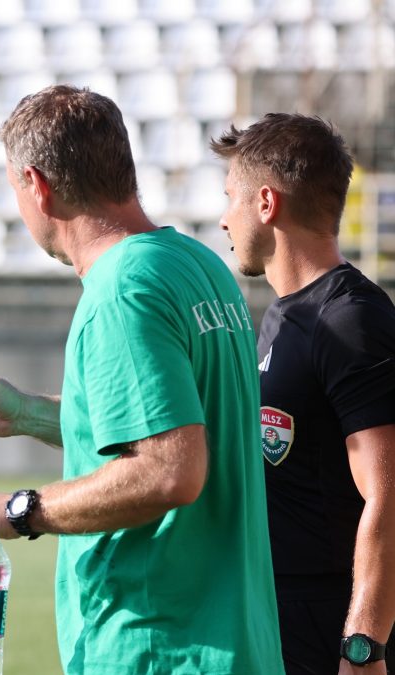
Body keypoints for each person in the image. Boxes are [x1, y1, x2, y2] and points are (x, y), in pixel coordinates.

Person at [0, 85, 283, 674]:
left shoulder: (120, 293)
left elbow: (168, 470)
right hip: (234, 637)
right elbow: (174, 420)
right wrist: (28, 413)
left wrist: (20, 508)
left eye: (14, 190)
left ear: (38, 185)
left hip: (159, 646)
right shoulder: (197, 263)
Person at [211, 113, 395, 674]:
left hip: (332, 631)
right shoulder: (285, 317)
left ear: (265, 203)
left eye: (230, 199)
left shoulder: (350, 320)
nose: (223, 220)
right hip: (282, 618)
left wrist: (362, 646)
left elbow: (389, 493)